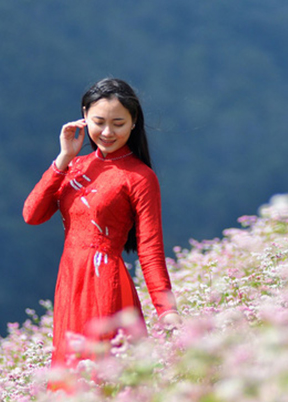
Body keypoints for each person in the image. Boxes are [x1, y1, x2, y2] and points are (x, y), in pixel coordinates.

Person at [24, 78, 182, 372]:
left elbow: (150, 251)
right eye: (99, 122)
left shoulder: (139, 177)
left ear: (134, 123)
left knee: (105, 378)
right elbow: (32, 214)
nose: (108, 132)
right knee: (72, 379)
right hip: (70, 283)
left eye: (119, 123)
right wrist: (63, 159)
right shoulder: (75, 165)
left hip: (105, 284)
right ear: (84, 116)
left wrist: (167, 310)